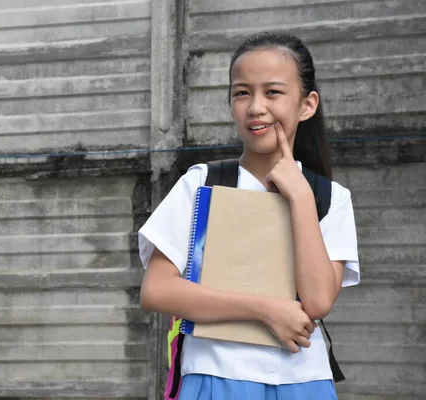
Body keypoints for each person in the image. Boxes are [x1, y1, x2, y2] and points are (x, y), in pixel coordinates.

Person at [138, 31, 360, 400]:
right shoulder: (202, 184)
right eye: (242, 92)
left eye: (273, 92)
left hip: (303, 381)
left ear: (307, 104)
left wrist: (300, 197)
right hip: (214, 376)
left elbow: (319, 301)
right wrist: (264, 310)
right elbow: (157, 289)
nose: (256, 107)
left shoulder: (328, 197)